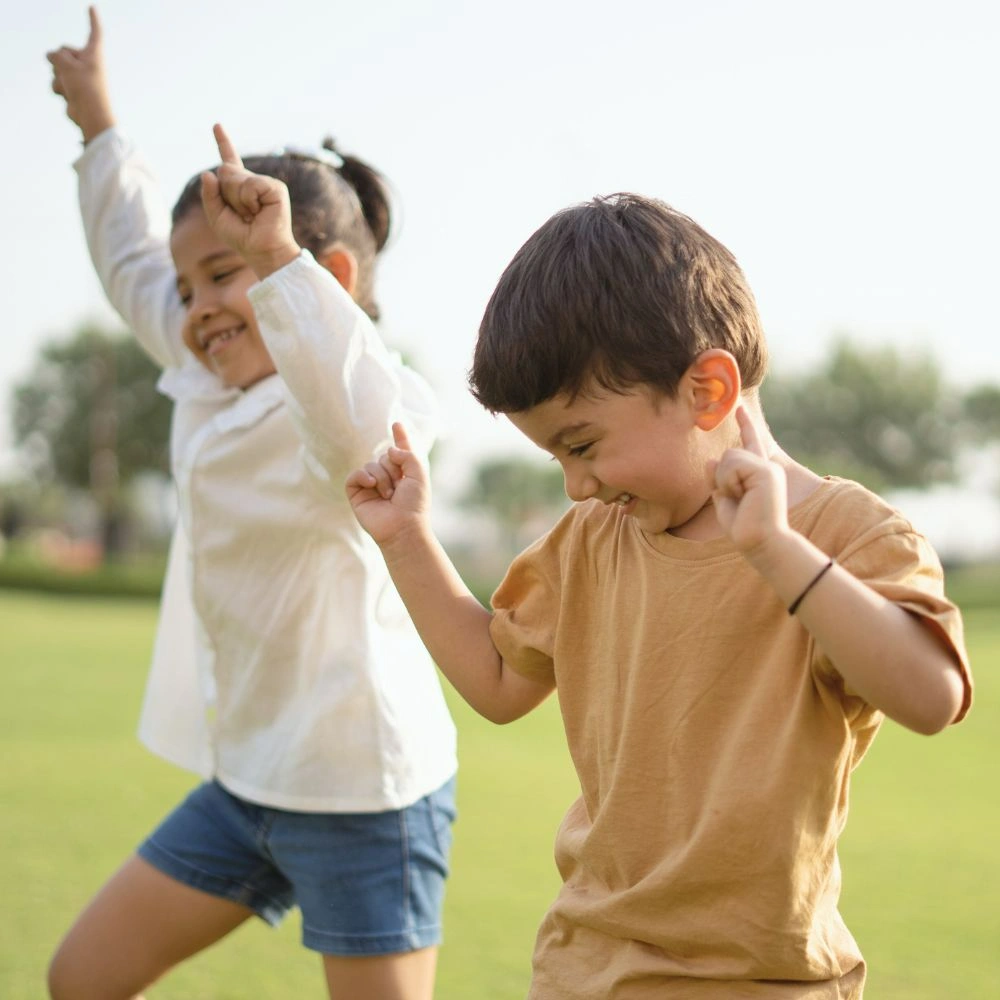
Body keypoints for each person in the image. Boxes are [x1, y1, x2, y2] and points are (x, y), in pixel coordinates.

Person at [346, 193, 973, 998]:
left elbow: (931, 696)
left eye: (583, 444)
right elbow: (499, 686)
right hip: (584, 967)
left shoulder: (845, 536)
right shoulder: (589, 544)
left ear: (708, 392)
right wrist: (406, 539)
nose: (576, 486)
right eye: (555, 460)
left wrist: (778, 554)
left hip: (760, 981)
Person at [46, 9, 457, 1000]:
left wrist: (276, 259)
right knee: (81, 976)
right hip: (249, 785)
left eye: (223, 275)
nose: (194, 310)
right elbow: (133, 263)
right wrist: (99, 122)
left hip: (364, 793)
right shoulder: (205, 376)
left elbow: (359, 421)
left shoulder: (351, 398)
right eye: (190, 289)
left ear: (330, 280)